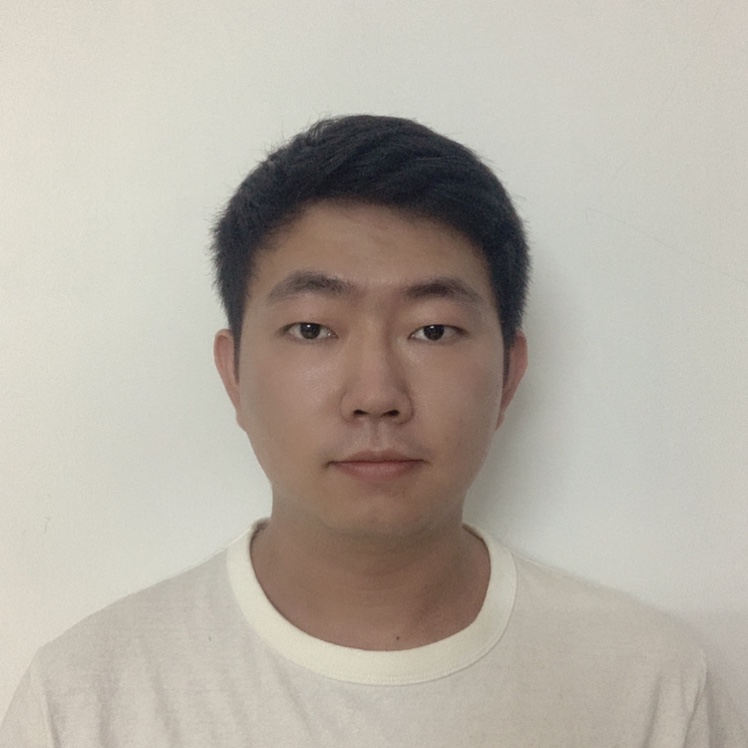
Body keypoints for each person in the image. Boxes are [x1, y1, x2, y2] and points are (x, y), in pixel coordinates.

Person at [2, 115, 745, 747]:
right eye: (313, 328)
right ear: (234, 374)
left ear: (508, 375)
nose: (376, 396)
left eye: (432, 329)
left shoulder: (651, 687)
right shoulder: (85, 702)